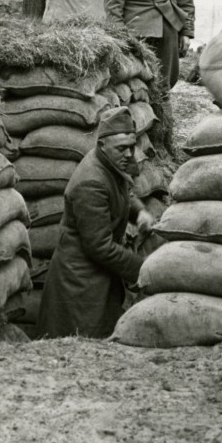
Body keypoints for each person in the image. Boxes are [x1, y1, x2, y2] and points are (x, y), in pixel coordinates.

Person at [35, 107, 154, 338]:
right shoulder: (90, 182)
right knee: (76, 345)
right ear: (102, 145)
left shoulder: (111, 162)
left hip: (98, 276)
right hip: (80, 284)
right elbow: (100, 246)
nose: (129, 154)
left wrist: (139, 212)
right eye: (121, 148)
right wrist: (143, 269)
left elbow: (123, 192)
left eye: (132, 146)